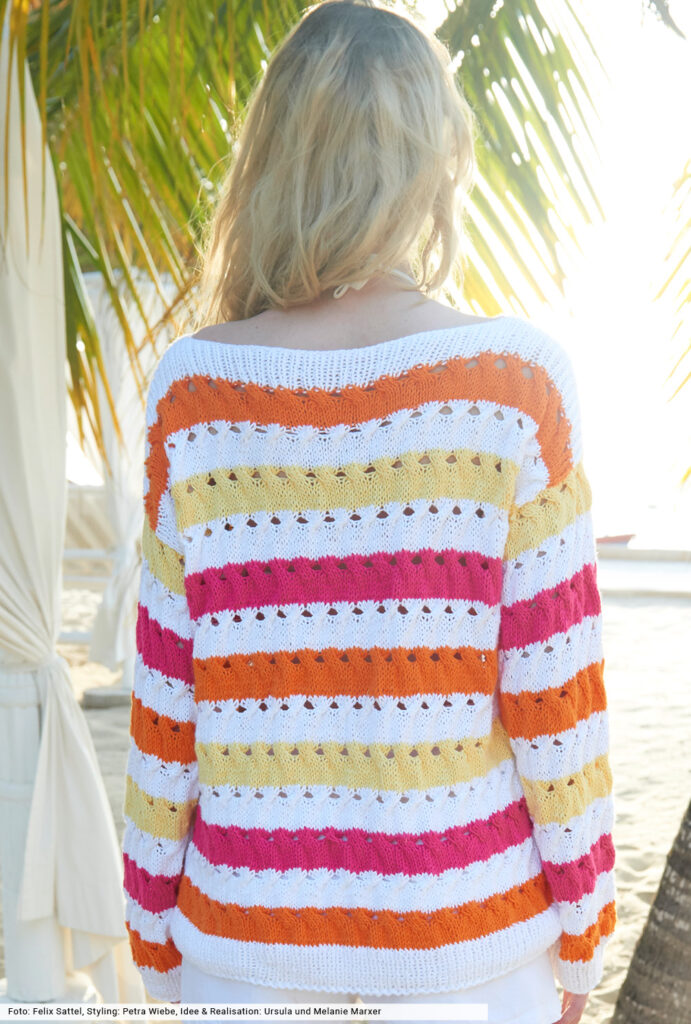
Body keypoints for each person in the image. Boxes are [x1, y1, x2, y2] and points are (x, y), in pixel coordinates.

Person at [121, 2, 616, 1023]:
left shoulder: (194, 392)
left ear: (271, 159)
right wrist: (582, 936)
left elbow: (165, 710)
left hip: (243, 954)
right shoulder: (515, 386)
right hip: (470, 957)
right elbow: (556, 708)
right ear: (432, 163)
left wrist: (152, 934)